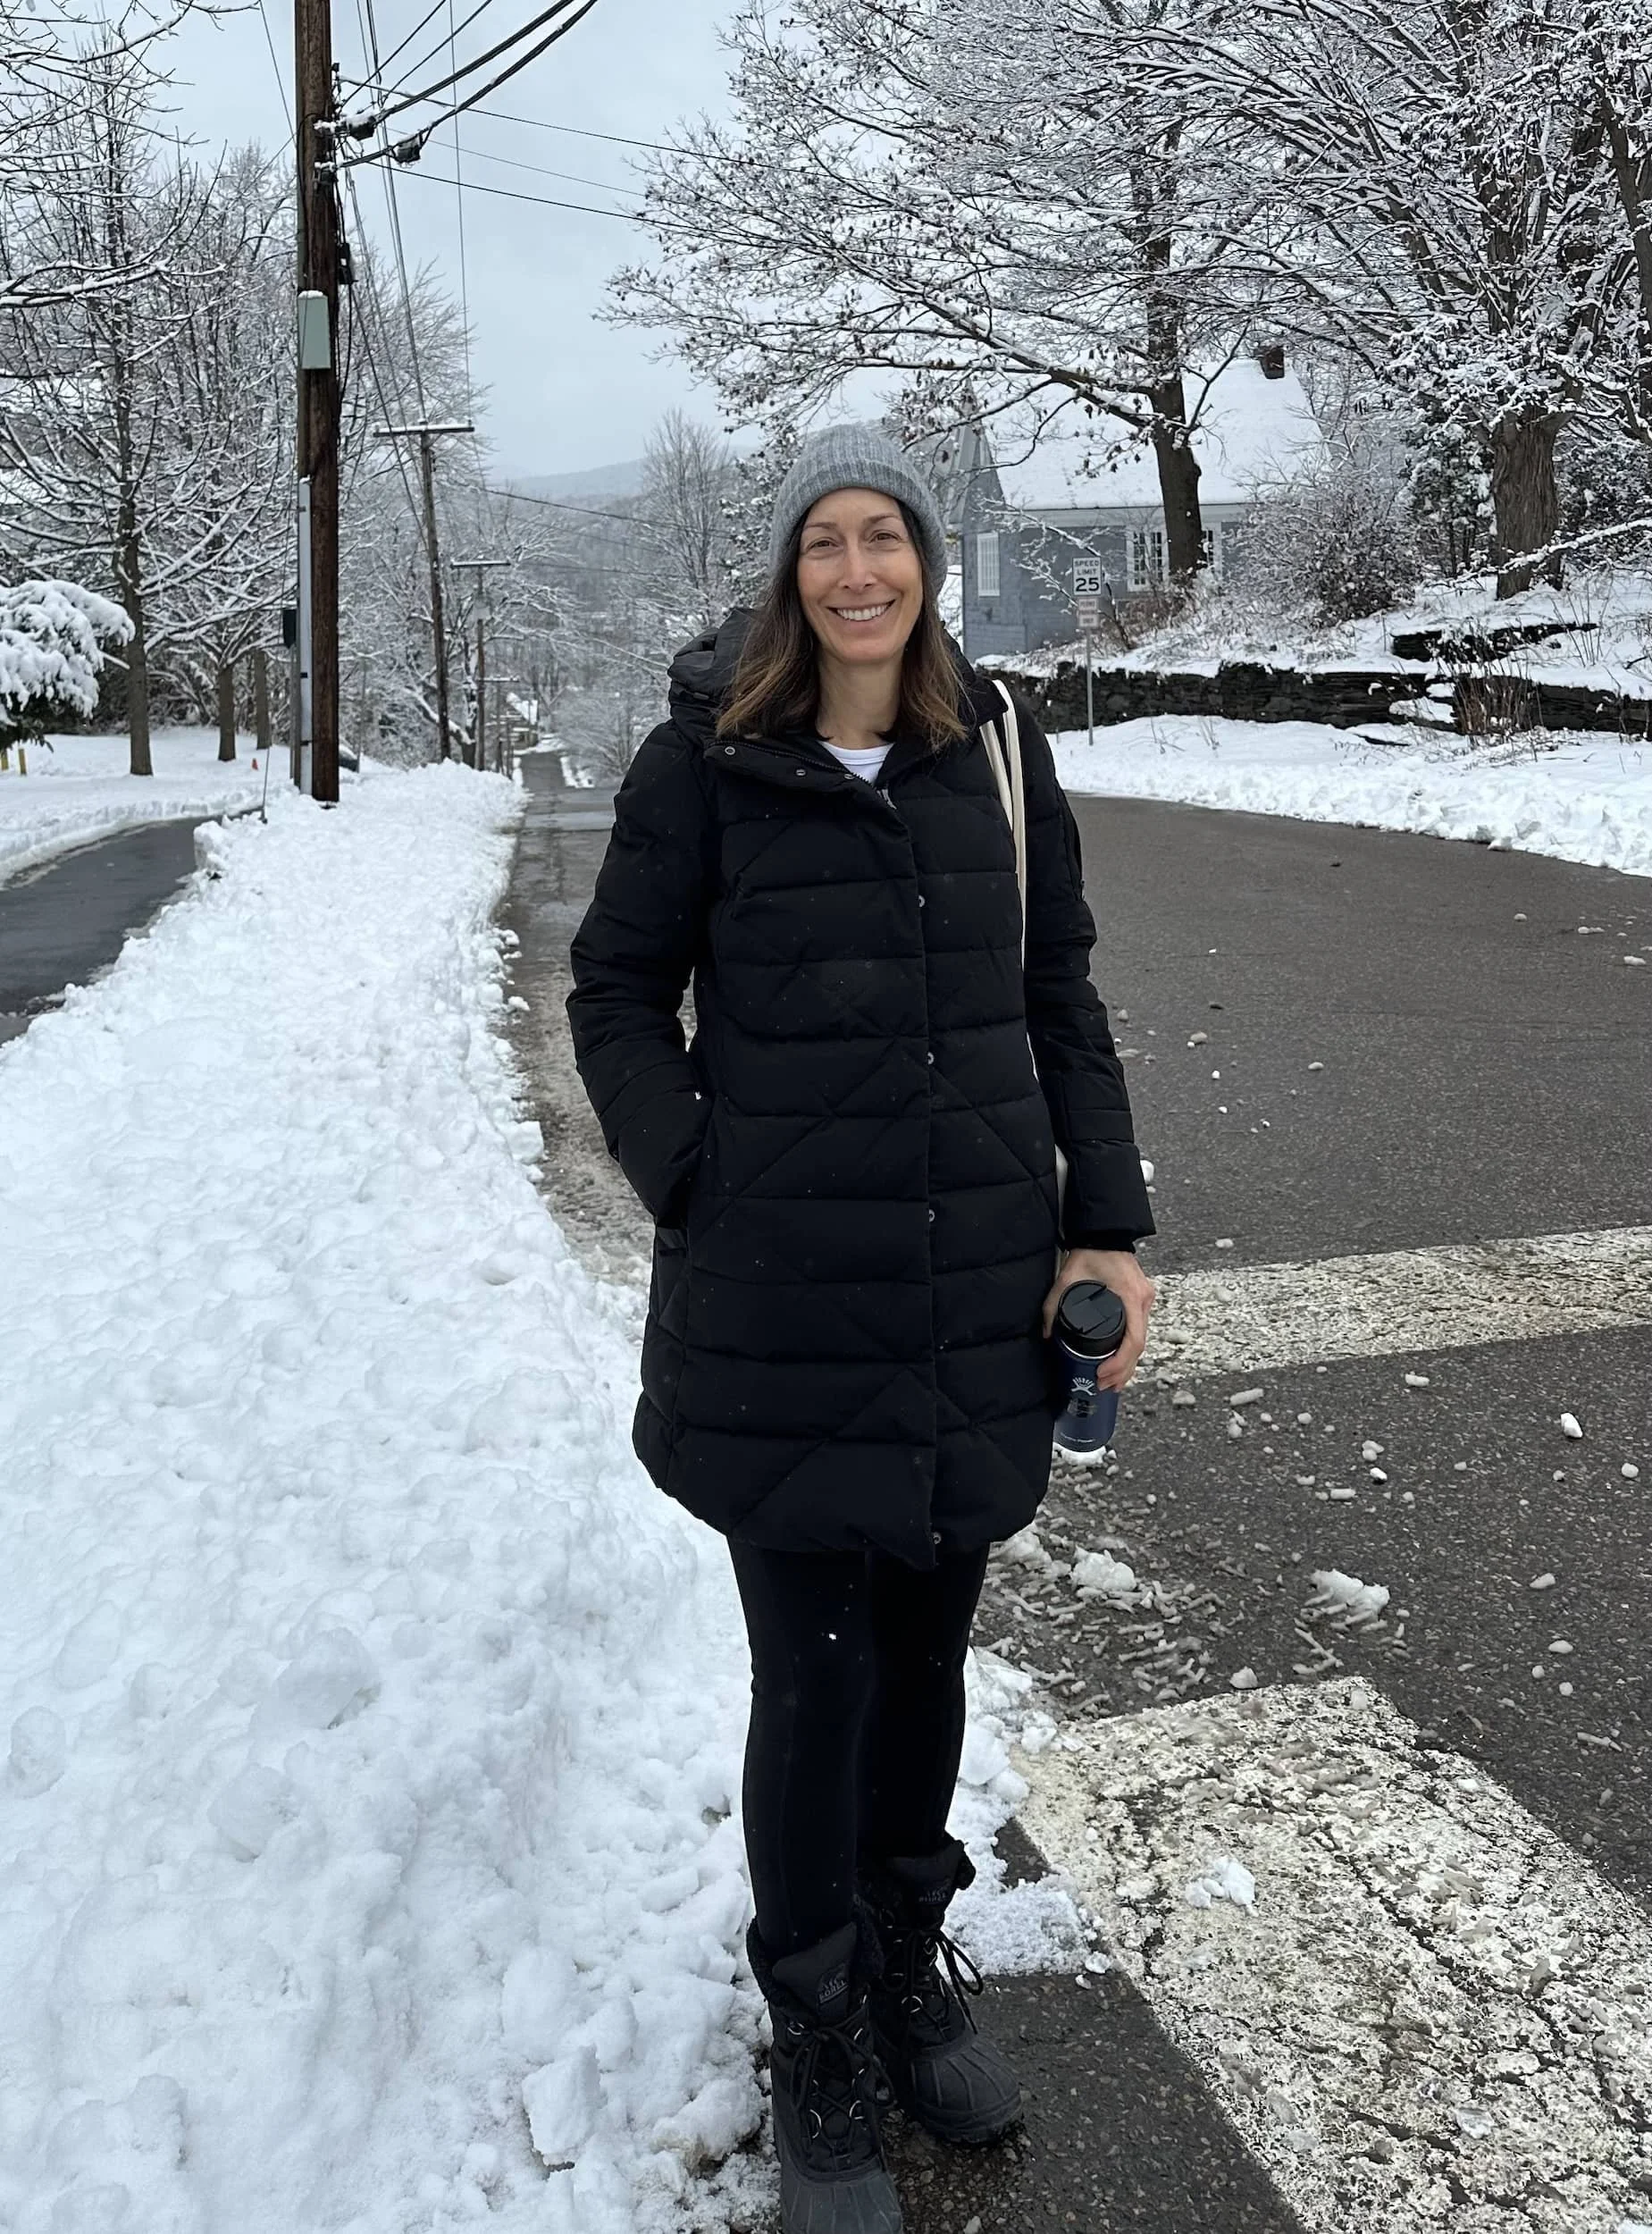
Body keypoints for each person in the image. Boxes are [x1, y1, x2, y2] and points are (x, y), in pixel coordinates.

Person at [566, 425, 1154, 2234]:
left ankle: (909, 1954)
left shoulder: (995, 753)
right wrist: (698, 1179)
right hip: (781, 1304)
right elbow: (612, 986)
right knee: (813, 1669)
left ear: (927, 561)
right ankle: (812, 2014)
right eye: (824, 540)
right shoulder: (706, 761)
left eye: (883, 536)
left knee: (922, 1659)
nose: (856, 571)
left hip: (971, 1283)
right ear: (786, 572)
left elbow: (1057, 985)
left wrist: (1108, 1224)